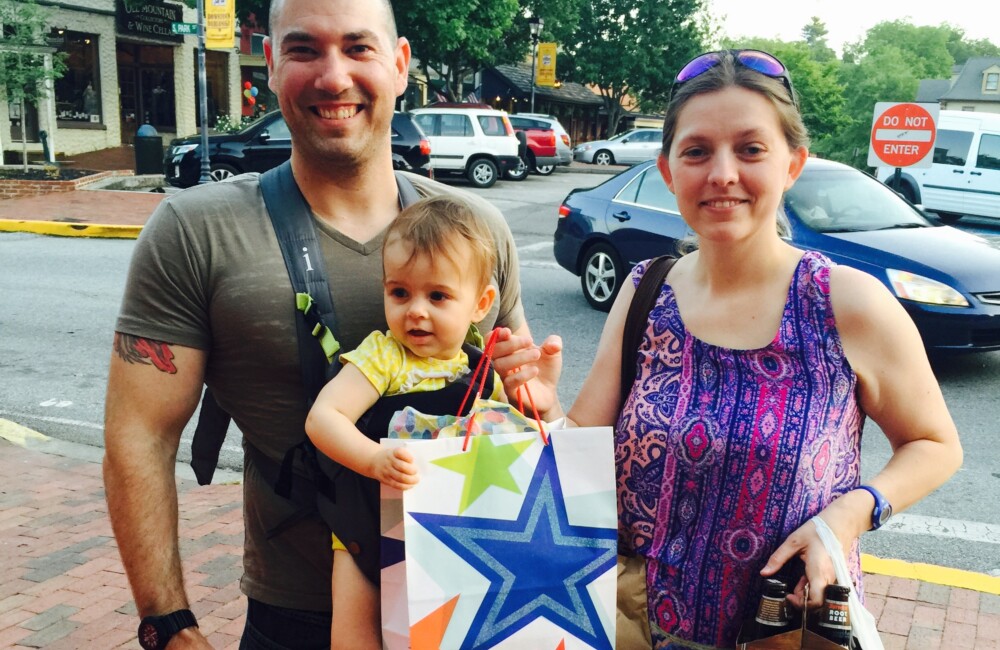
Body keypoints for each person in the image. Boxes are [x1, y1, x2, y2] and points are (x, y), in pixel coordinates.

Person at [101, 1, 560, 648]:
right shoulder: (194, 231)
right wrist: (168, 625)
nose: (333, 76)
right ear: (271, 63)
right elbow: (139, 437)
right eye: (304, 49)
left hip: (470, 591)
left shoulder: (473, 229)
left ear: (400, 66)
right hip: (296, 619)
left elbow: (510, 417)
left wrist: (534, 394)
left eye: (358, 47)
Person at [554, 49, 962, 648]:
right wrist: (535, 404)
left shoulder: (848, 303)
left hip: (785, 631)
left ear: (793, 163)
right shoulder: (644, 290)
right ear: (668, 171)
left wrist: (849, 515)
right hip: (638, 628)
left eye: (750, 149)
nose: (722, 173)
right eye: (697, 151)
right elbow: (583, 440)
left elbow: (935, 444)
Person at [304, 195, 507, 648]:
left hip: (448, 529)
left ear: (481, 303)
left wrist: (544, 400)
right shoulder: (384, 356)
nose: (415, 310)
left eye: (437, 295)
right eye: (400, 292)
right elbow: (324, 418)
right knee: (355, 637)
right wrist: (374, 458)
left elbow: (511, 445)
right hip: (366, 524)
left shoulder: (482, 374)